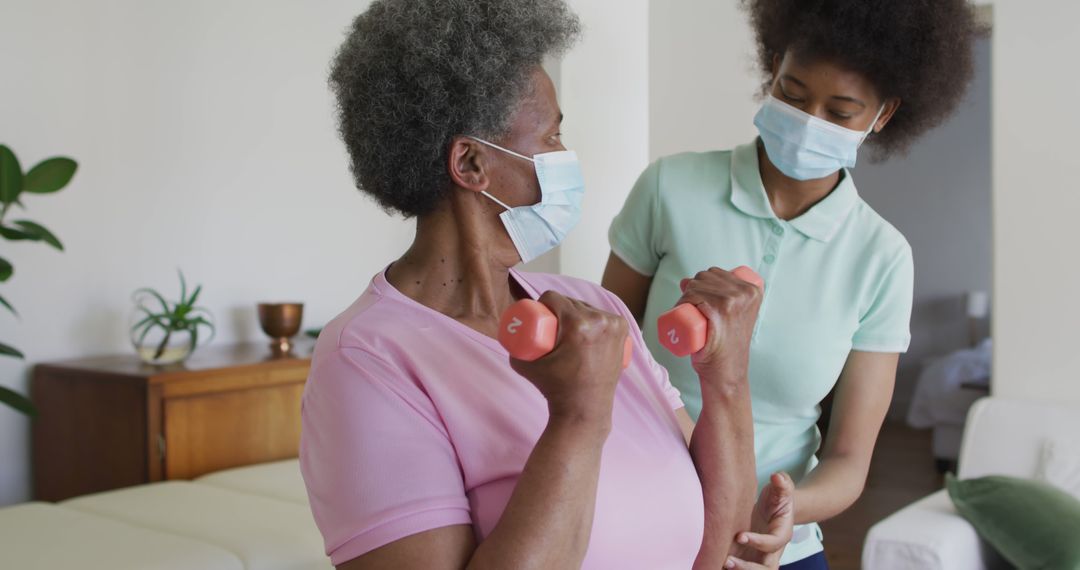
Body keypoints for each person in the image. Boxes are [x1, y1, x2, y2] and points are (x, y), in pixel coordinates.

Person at [300, 1, 792, 568]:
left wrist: (725, 377)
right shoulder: (365, 360)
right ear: (472, 164)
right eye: (553, 137)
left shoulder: (593, 309)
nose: (566, 156)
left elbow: (722, 554)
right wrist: (578, 417)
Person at [602, 1, 982, 567]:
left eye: (841, 111)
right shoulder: (669, 188)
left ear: (883, 115)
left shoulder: (881, 257)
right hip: (635, 519)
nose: (810, 121)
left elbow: (850, 461)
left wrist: (783, 512)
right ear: (773, 67)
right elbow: (605, 351)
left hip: (774, 547)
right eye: (794, 95)